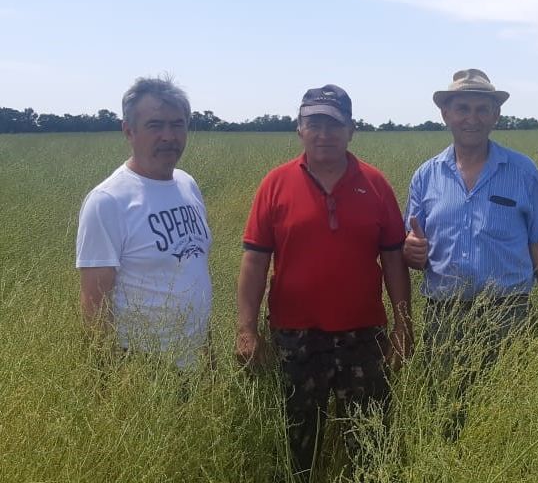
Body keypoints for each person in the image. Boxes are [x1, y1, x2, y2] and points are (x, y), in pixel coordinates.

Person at [235, 84, 413, 477]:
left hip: (364, 337)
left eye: (334, 124)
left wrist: (403, 326)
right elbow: (254, 263)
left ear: (352, 130)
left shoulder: (376, 184)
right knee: (298, 445)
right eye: (313, 123)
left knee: (370, 441)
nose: (324, 134)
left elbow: (394, 262)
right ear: (299, 129)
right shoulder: (275, 184)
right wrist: (246, 329)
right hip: (294, 338)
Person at [404, 68, 538, 438]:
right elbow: (413, 252)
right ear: (446, 114)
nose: (472, 118)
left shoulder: (522, 171)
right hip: (444, 317)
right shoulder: (425, 176)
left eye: (483, 109)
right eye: (462, 107)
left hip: (508, 315)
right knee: (447, 413)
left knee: (509, 415)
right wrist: (412, 251)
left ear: (496, 116)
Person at [76, 76, 213, 371]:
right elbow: (94, 303)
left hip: (194, 362)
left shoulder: (187, 185)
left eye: (177, 124)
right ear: (129, 130)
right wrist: (110, 382)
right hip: (143, 367)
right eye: (155, 125)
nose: (169, 136)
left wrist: (208, 353)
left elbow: (194, 273)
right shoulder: (108, 201)